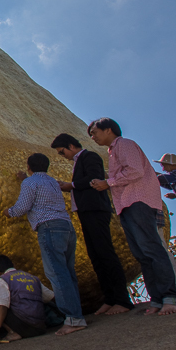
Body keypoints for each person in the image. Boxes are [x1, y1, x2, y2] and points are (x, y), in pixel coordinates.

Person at [87, 118, 176, 315]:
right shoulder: (112, 152)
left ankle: (170, 295)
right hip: (126, 204)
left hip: (138, 200)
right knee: (141, 254)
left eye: (95, 132)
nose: (93, 137)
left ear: (109, 130)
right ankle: (157, 298)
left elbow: (135, 171)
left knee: (151, 248)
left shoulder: (124, 144)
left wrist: (108, 182)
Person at [50, 133, 133, 315]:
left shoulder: (90, 156)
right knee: (96, 256)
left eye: (62, 152)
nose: (62, 156)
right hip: (85, 211)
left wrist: (70, 185)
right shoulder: (78, 162)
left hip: (96, 210)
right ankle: (109, 298)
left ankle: (122, 299)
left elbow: (94, 177)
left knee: (106, 253)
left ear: (71, 146)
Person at [6, 153, 87, 335]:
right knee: (67, 272)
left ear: (29, 166)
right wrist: (25, 179)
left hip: (49, 228)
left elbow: (22, 206)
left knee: (57, 274)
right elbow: (39, 189)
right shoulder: (52, 182)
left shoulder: (30, 183)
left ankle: (74, 319)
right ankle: (77, 314)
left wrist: (9, 212)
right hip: (66, 227)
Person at [0, 254, 54, 344]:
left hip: (24, 329)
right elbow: (51, 297)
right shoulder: (32, 277)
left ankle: (13, 332)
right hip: (41, 328)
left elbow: (2, 307)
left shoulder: (4, 280)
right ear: (13, 265)